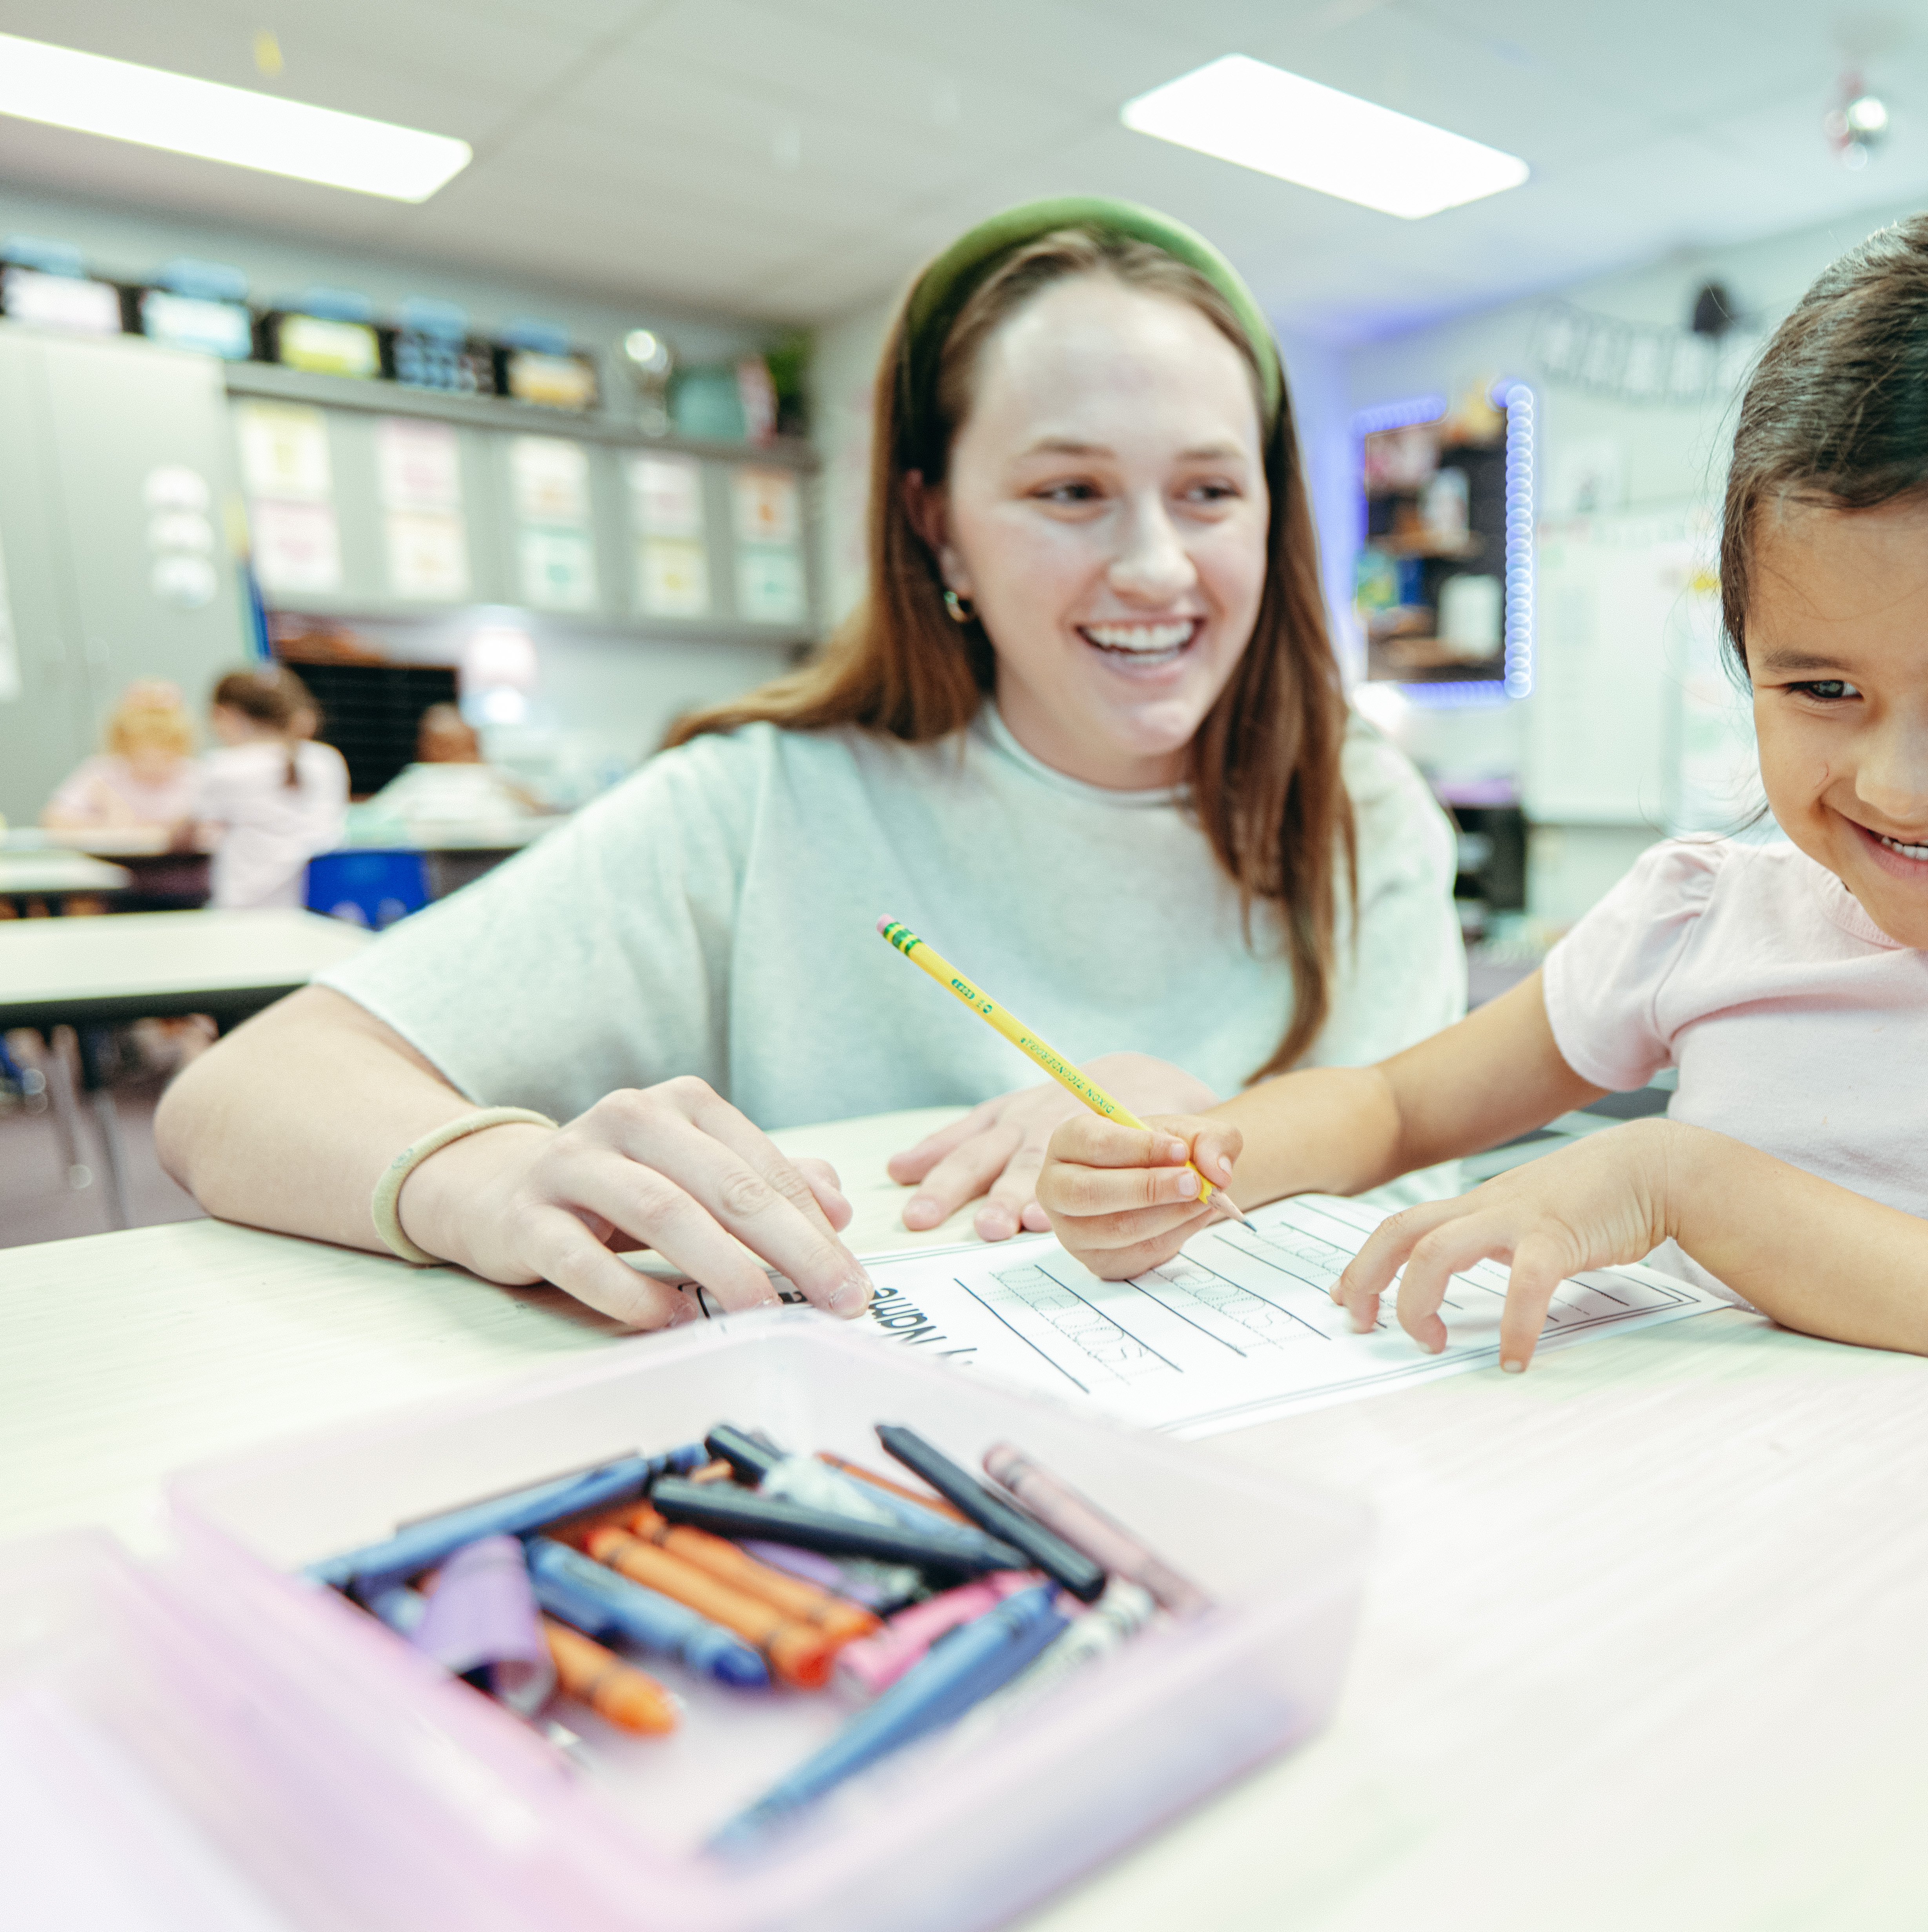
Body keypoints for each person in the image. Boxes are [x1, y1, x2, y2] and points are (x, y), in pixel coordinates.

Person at [1038, 201, 1928, 1423]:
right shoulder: (1703, 912)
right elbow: (1396, 1106)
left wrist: (1687, 1185)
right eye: (1819, 685)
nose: (1899, 784)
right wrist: (1196, 1162)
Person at [155, 197, 1464, 1331]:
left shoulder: (1361, 805)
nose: (1158, 566)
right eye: (1069, 490)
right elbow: (236, 1097)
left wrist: (1218, 1135)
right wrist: (483, 1172)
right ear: (935, 523)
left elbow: (1421, 1196)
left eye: (1210, 493)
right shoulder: (763, 800)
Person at [189, 665, 350, 910]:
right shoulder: (328, 760)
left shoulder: (224, 767)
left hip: (247, 912)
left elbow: (193, 834)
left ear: (227, 716)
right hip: (324, 910)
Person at [345, 703, 549, 838]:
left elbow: (368, 819)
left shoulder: (497, 778)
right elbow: (373, 818)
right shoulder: (419, 779)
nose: (423, 746)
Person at [42, 678, 200, 833]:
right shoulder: (103, 772)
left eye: (165, 750)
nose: (153, 758)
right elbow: (53, 820)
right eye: (141, 751)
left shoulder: (197, 776)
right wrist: (106, 825)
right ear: (123, 745)